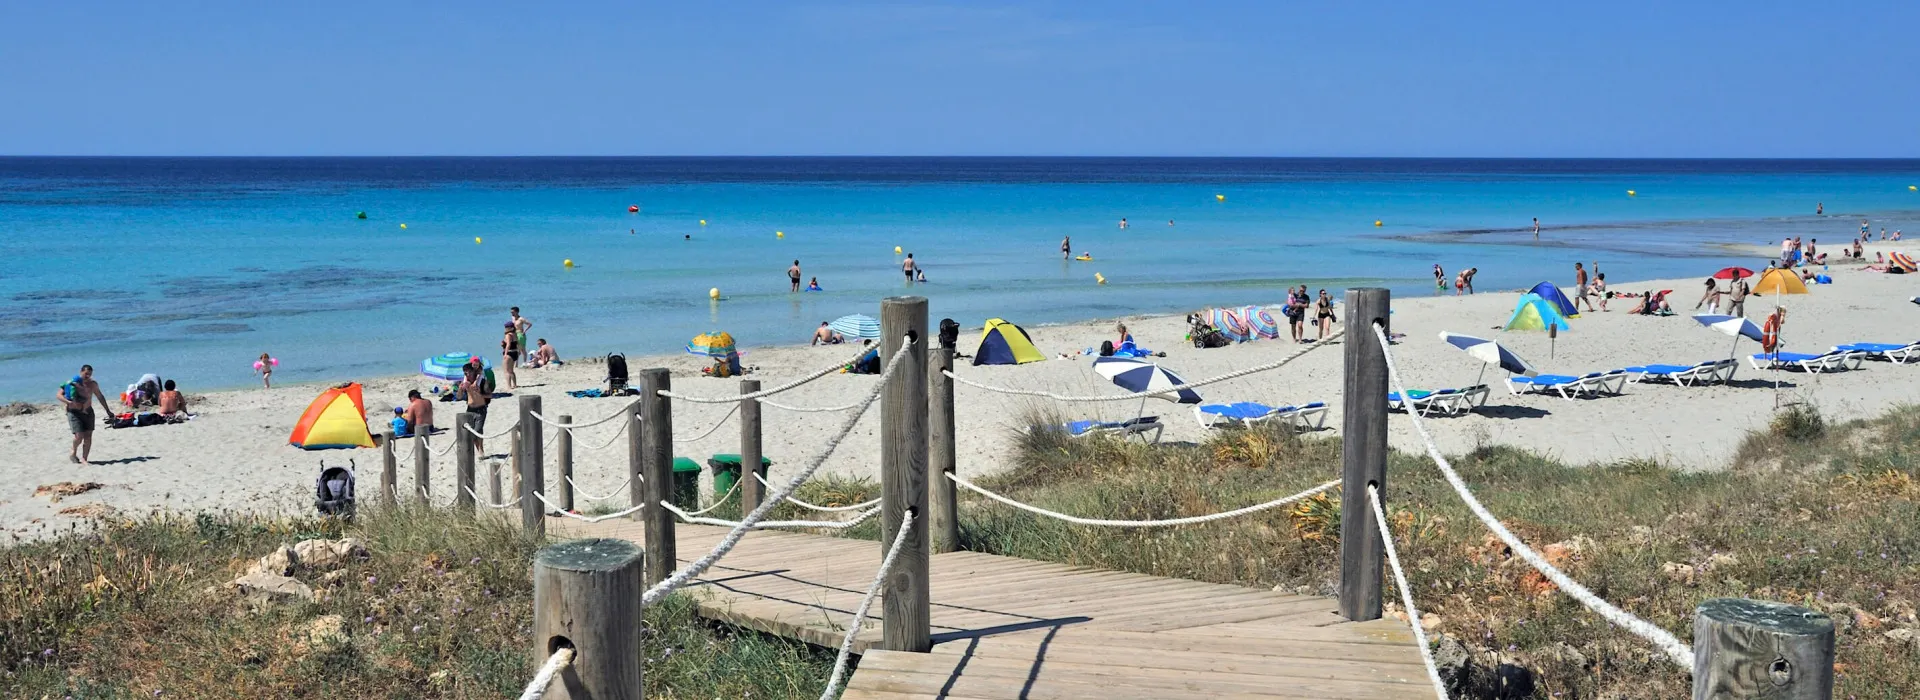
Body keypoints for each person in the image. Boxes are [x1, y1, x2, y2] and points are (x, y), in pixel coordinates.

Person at [59, 365, 112, 464]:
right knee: (79, 436)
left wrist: (107, 410)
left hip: (88, 411)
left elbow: (100, 396)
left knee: (88, 436)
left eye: (90, 374)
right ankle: (73, 451)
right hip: (74, 412)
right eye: (86, 373)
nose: (88, 376)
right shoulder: (71, 383)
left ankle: (84, 458)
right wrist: (68, 402)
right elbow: (58, 395)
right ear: (81, 372)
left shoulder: (92, 384)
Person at [461, 363, 490, 458]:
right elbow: (459, 397)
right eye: (465, 373)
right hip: (469, 410)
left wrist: (479, 393)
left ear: (473, 371)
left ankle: (481, 450)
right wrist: (460, 389)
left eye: (469, 372)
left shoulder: (482, 381)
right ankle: (480, 451)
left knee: (477, 431)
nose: (467, 375)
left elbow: (490, 395)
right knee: (471, 433)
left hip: (481, 409)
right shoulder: (465, 383)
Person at [500, 322, 520, 391]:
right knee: (511, 370)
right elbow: (517, 343)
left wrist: (505, 354)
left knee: (506, 371)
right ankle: (515, 385)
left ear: (511, 328)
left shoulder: (508, 335)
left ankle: (509, 386)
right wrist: (519, 351)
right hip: (515, 352)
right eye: (505, 327)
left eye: (506, 327)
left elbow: (508, 344)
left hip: (509, 353)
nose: (505, 328)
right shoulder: (515, 334)